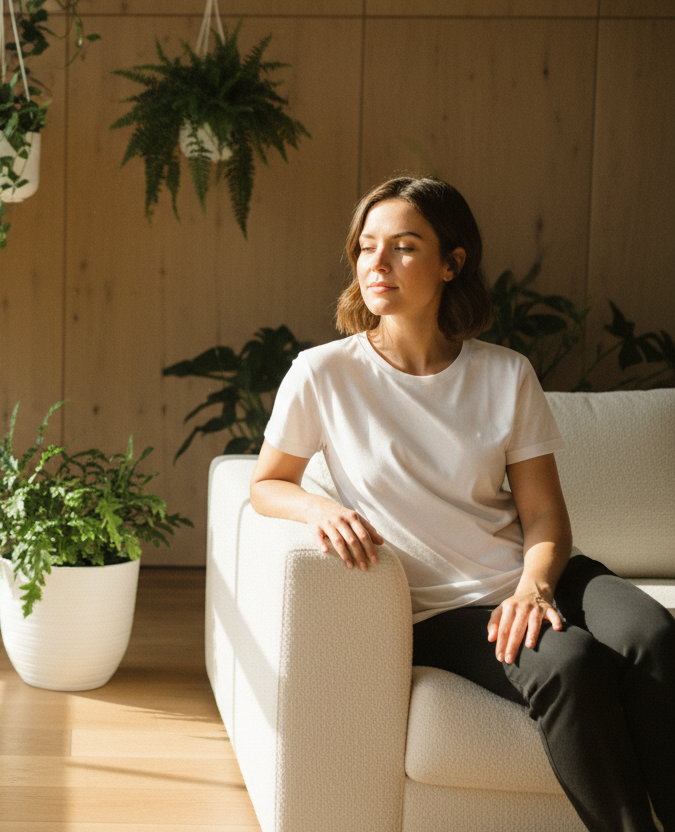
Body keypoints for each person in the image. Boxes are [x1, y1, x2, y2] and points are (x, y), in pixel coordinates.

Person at [248, 176, 674, 832]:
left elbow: (545, 517)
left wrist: (533, 589)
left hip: (543, 575)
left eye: (404, 247)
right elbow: (265, 483)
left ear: (453, 262)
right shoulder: (323, 374)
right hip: (444, 605)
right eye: (366, 247)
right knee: (570, 664)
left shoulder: (505, 373)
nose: (378, 264)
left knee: (654, 636)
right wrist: (317, 509)